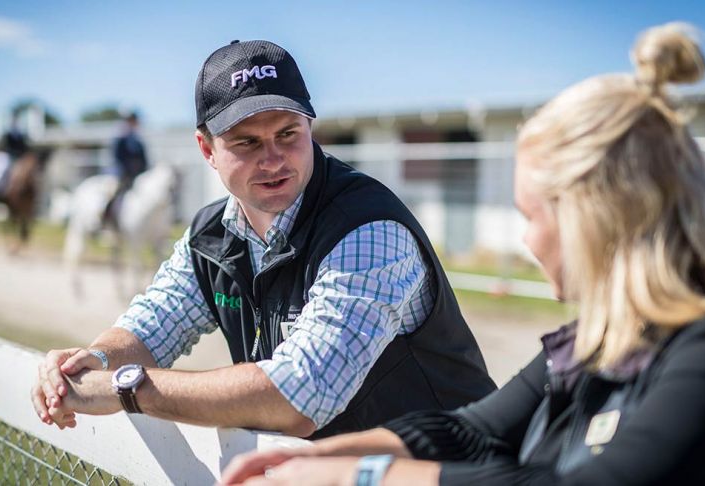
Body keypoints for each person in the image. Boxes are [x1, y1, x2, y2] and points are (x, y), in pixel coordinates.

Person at [219, 23, 705, 485]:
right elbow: (470, 430)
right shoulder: (600, 339)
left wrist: (366, 475)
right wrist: (323, 455)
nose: (527, 242)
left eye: (532, 216)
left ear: (594, 217)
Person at [31, 40, 496, 438]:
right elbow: (153, 324)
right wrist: (88, 361)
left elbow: (300, 398)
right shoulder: (208, 236)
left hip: (449, 471)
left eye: (288, 134)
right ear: (207, 150)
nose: (273, 159)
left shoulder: (367, 229)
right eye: (246, 142)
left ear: (311, 127)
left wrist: (124, 386)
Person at [102, 111, 149, 229]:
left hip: (136, 175)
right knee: (112, 192)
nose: (133, 123)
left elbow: (144, 160)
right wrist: (125, 171)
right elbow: (116, 157)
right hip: (120, 174)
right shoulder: (120, 137)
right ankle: (105, 222)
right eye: (130, 120)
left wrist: (144, 173)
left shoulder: (138, 140)